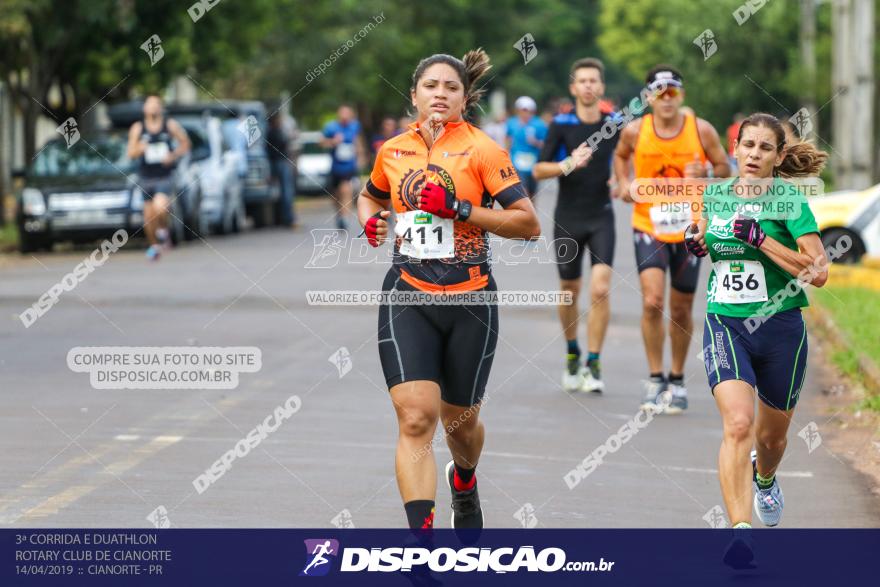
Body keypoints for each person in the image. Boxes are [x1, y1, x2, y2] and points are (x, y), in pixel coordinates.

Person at [356, 49, 540, 535]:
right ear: (413, 94)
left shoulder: (484, 150)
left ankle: (464, 478)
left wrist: (460, 208)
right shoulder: (392, 151)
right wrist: (369, 221)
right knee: (417, 419)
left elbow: (528, 224)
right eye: (431, 86)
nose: (440, 94)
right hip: (407, 293)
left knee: (460, 425)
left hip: (470, 299)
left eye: (451, 88)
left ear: (464, 98)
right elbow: (369, 194)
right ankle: (421, 544)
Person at [684, 112, 829, 532]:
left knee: (770, 440)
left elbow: (819, 272)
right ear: (735, 148)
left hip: (781, 328)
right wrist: (697, 240)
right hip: (726, 322)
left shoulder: (789, 202)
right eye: (748, 145)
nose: (754, 154)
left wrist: (762, 240)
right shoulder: (717, 196)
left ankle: (764, 478)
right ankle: (740, 531)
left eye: (765, 148)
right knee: (739, 423)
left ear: (778, 155)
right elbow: (712, 239)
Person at [613, 65, 730, 413]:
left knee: (680, 307)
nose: (666, 99)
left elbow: (725, 169)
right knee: (652, 301)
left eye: (672, 92)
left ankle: (677, 380)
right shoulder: (636, 131)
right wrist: (623, 183)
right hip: (648, 223)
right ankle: (654, 377)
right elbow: (620, 156)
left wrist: (707, 173)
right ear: (648, 97)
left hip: (690, 228)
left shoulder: (701, 129)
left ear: (681, 95)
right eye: (659, 92)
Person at [533, 58, 619, 393]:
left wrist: (621, 179)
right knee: (570, 290)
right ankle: (572, 352)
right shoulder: (561, 124)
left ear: (601, 87)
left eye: (593, 80)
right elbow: (539, 170)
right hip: (568, 217)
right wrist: (567, 164)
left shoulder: (614, 124)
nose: (588, 86)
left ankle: (594, 362)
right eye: (581, 80)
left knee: (600, 288)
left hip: (602, 215)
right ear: (573, 88)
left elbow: (627, 158)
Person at [126, 95, 190, 260]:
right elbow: (130, 153)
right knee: (148, 216)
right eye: (150, 105)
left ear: (160, 108)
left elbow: (185, 144)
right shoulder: (138, 128)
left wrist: (173, 155)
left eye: (157, 105)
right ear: (144, 109)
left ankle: (163, 230)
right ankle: (154, 245)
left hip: (164, 175)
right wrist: (140, 148)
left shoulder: (170, 125)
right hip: (145, 176)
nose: (154, 108)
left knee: (160, 206)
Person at [321, 105, 366, 231]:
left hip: (349, 166)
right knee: (335, 195)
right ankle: (340, 214)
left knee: (346, 190)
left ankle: (345, 218)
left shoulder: (354, 126)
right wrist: (332, 142)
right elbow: (321, 142)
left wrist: (361, 156)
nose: (345, 117)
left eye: (347, 114)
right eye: (342, 114)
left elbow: (358, 142)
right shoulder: (331, 127)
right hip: (335, 167)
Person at [505, 96, 547, 198]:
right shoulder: (512, 123)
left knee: (533, 194)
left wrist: (535, 142)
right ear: (518, 110)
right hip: (517, 162)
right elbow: (508, 139)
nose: (525, 113)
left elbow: (546, 144)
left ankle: (532, 212)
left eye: (528, 110)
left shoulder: (540, 124)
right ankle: (525, 211)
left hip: (533, 162)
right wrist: (506, 156)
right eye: (523, 110)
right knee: (523, 192)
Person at [267, 111, 296, 227]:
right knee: (287, 192)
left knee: (281, 192)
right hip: (281, 163)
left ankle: (283, 218)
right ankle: (288, 218)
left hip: (276, 163)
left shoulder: (269, 133)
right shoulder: (276, 133)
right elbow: (284, 145)